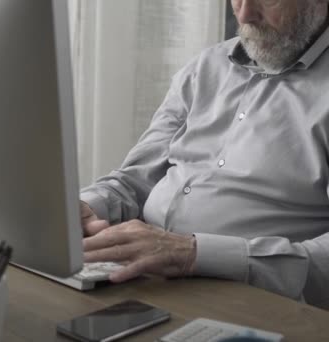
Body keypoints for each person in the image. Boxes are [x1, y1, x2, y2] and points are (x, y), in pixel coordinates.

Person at [79, 0, 329, 310]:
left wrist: (196, 254)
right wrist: (87, 207)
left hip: (256, 301)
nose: (244, 14)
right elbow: (135, 180)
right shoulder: (205, 68)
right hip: (146, 280)